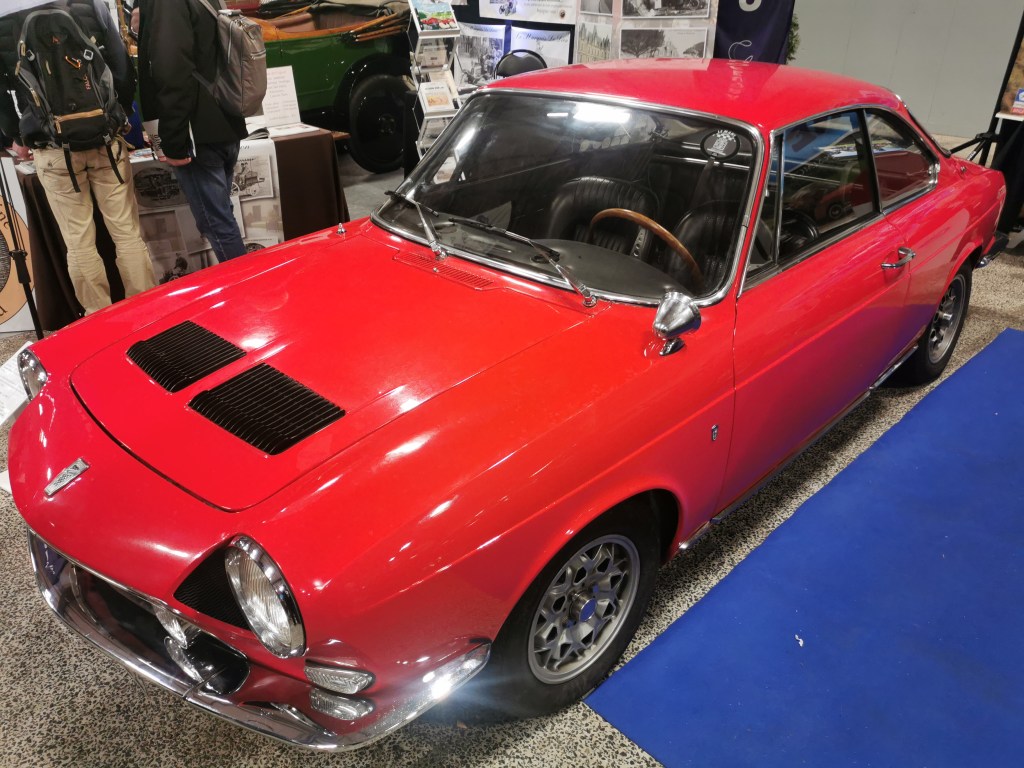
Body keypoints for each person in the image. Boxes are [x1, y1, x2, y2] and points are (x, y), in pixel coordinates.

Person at [0, 0, 156, 316]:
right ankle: (146, 312)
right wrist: (119, 113)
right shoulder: (90, 4)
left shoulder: (5, 17)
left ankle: (99, 320)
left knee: (79, 243)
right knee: (127, 234)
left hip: (52, 147)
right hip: (105, 140)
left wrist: (15, 135)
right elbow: (121, 67)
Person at [136, 0, 248, 263]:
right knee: (223, 217)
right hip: (224, 117)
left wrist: (173, 142)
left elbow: (172, 69)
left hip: (197, 130)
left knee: (217, 224)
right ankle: (243, 280)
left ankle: (244, 285)